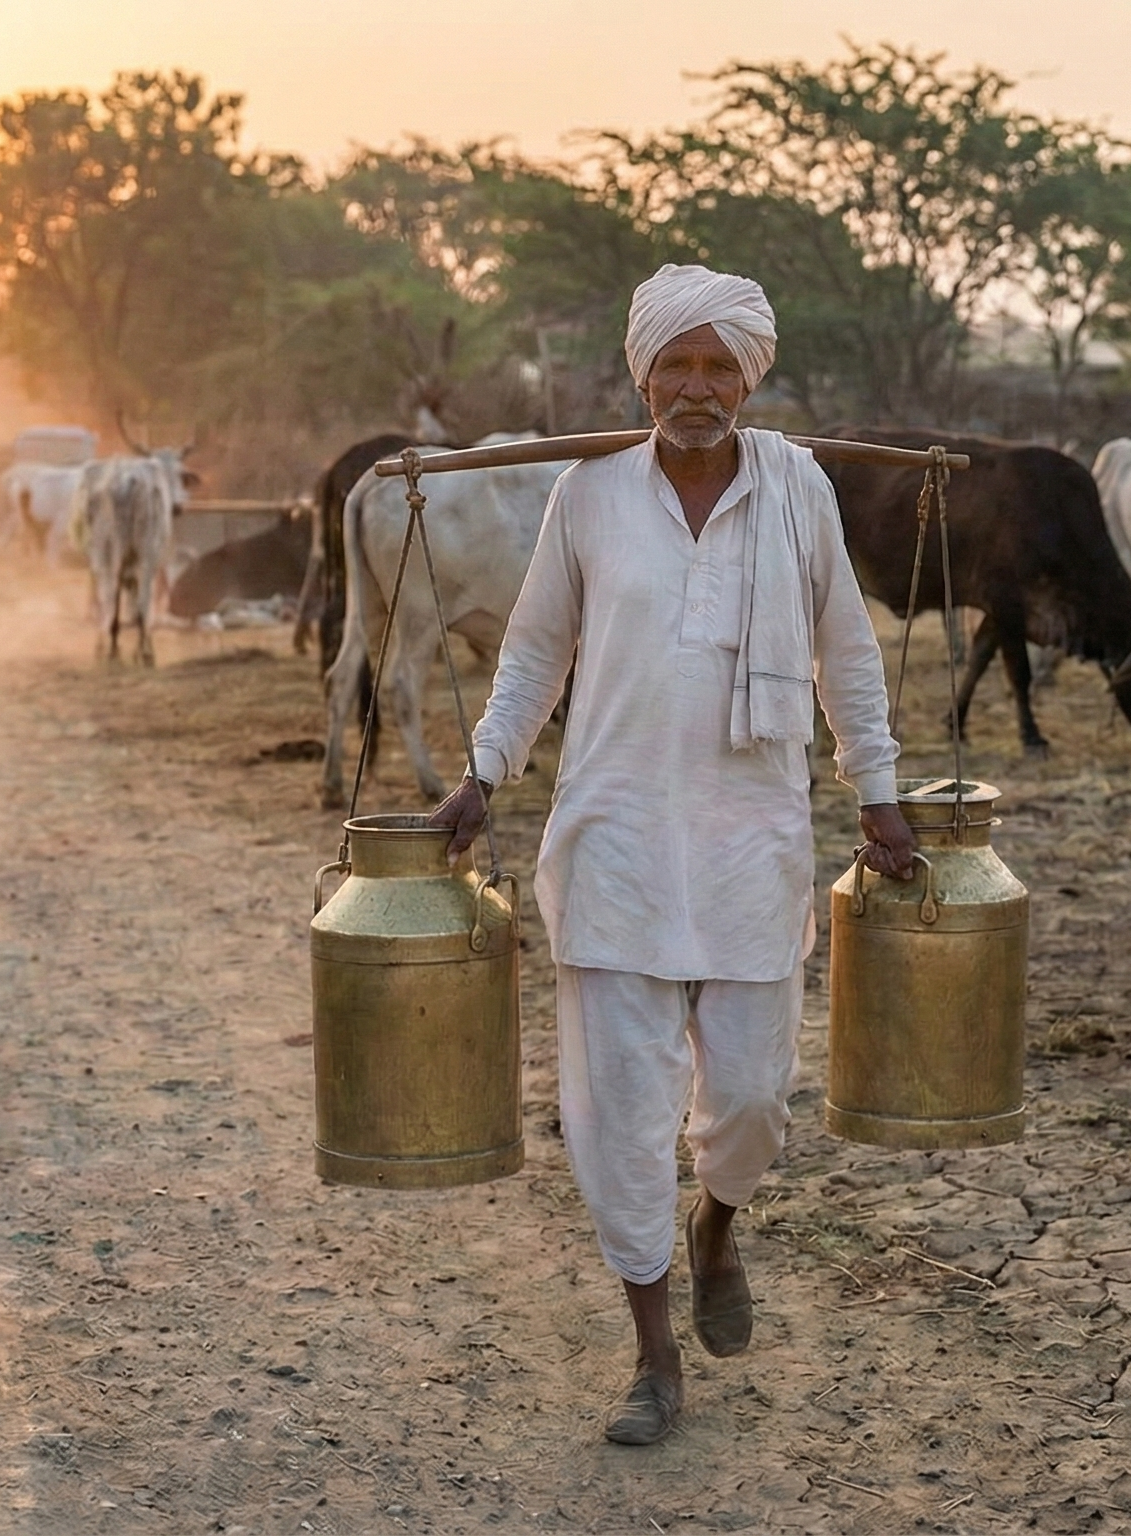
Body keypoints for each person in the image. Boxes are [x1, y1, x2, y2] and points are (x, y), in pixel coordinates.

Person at [429, 264, 919, 1446]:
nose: (694, 387)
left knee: (749, 1101)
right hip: (617, 839)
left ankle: (716, 1224)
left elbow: (844, 655)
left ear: (749, 376)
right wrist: (482, 771)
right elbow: (535, 653)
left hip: (750, 838)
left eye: (716, 366)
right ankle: (654, 1358)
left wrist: (881, 794)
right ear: (640, 374)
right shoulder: (588, 494)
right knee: (621, 1113)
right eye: (673, 365)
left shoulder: (797, 491)